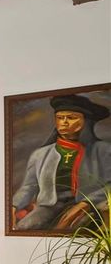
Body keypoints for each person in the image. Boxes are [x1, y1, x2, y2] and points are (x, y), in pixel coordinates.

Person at [12, 93, 111, 231]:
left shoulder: (103, 150)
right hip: (48, 207)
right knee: (24, 227)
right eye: (59, 118)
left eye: (71, 117)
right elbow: (29, 187)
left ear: (86, 121)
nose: (64, 122)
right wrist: (13, 206)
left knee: (71, 230)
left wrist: (86, 203)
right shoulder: (40, 155)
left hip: (90, 206)